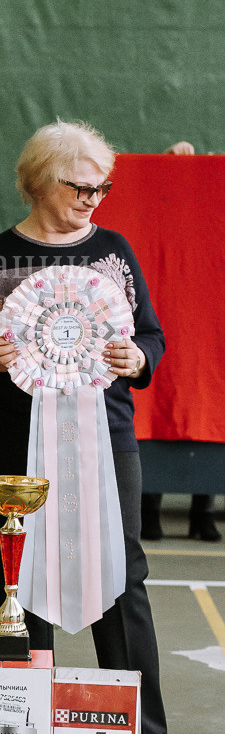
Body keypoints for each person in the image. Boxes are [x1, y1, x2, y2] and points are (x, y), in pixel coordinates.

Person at [0, 119, 188, 734]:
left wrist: (138, 359)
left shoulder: (114, 251)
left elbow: (150, 338)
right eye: (82, 185)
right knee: (20, 585)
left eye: (103, 186)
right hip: (7, 446)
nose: (94, 198)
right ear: (41, 181)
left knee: (121, 579)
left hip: (103, 441)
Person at [140, 141, 222, 543]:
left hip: (209, 325)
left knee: (209, 402)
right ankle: (149, 508)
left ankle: (202, 513)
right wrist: (171, 168)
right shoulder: (155, 232)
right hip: (168, 313)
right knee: (156, 399)